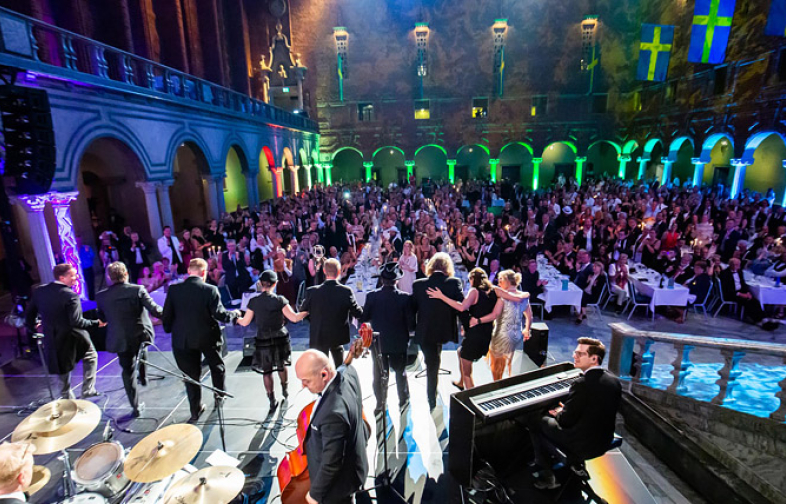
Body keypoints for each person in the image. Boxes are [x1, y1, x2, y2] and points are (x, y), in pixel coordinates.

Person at [527, 338, 621, 490]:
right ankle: (574, 466)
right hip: (603, 440)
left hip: (582, 444)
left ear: (594, 359)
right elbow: (595, 410)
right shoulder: (614, 381)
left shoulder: (582, 384)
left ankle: (547, 474)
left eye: (580, 354)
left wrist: (559, 412)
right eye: (575, 352)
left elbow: (565, 421)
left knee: (536, 421)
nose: (574, 356)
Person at [162, 258, 240, 423]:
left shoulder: (174, 290)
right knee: (216, 366)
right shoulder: (210, 289)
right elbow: (220, 314)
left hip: (182, 340)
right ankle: (219, 396)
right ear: (204, 273)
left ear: (189, 271)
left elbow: (167, 315)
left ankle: (195, 410)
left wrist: (170, 330)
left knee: (190, 376)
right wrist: (235, 314)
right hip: (207, 337)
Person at [295, 349, 369, 504]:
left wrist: (315, 495)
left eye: (306, 381)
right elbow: (345, 367)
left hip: (338, 487)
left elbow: (332, 462)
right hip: (355, 467)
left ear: (324, 374)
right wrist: (349, 358)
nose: (303, 386)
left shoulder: (333, 413)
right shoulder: (348, 375)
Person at [25, 264, 105, 399]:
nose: (76, 277)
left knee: (62, 368)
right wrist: (97, 323)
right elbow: (77, 322)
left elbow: (29, 314)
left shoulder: (40, 291)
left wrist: (33, 326)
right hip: (73, 336)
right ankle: (87, 390)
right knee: (91, 356)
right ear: (62, 277)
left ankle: (66, 398)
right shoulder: (71, 295)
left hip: (53, 338)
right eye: (73, 275)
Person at [96, 262, 163, 417]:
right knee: (142, 350)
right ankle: (144, 376)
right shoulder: (137, 290)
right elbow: (155, 309)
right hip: (140, 335)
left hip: (120, 338)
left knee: (127, 371)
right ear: (126, 274)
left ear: (109, 277)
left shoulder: (101, 296)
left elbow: (102, 318)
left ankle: (135, 407)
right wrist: (172, 314)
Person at [237, 270, 308, 410]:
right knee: (281, 365)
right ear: (275, 284)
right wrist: (307, 311)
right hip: (280, 336)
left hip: (263, 338)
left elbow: (245, 322)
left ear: (260, 284)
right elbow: (294, 318)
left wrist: (235, 317)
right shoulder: (279, 300)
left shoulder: (254, 301)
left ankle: (271, 399)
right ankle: (285, 390)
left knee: (267, 371)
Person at [427, 267, 496, 390]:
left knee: (467, 372)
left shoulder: (474, 291)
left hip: (475, 334)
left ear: (473, 279)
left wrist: (441, 296)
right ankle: (460, 382)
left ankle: (471, 398)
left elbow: (462, 307)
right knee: (460, 352)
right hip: (486, 332)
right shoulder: (491, 292)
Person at [360, 262, 415, 413]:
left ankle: (380, 402)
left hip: (379, 343)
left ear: (381, 280)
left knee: (379, 374)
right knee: (400, 372)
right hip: (398, 342)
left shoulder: (372, 296)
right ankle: (403, 399)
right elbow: (410, 324)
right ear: (396, 281)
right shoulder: (404, 298)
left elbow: (364, 318)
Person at [411, 252, 464, 410]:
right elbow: (461, 306)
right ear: (448, 267)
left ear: (430, 266)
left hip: (425, 330)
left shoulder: (419, 284)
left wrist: (413, 328)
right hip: (444, 329)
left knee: (432, 361)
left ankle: (431, 396)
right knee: (434, 360)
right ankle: (431, 395)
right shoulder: (454, 282)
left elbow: (412, 308)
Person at [301, 258, 363, 369]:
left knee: (321, 369)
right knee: (340, 367)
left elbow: (303, 312)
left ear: (324, 271)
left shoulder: (312, 291)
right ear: (339, 272)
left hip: (319, 334)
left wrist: (315, 321)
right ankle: (339, 383)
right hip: (337, 336)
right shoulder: (345, 291)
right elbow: (357, 313)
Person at [470, 270, 532, 381]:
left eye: (501, 280)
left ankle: (497, 385)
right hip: (516, 335)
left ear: (508, 280)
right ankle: (506, 380)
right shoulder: (524, 297)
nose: (498, 283)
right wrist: (527, 329)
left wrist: (478, 321)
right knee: (508, 362)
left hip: (502, 335)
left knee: (496, 366)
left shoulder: (502, 298)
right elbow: (529, 316)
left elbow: (494, 315)